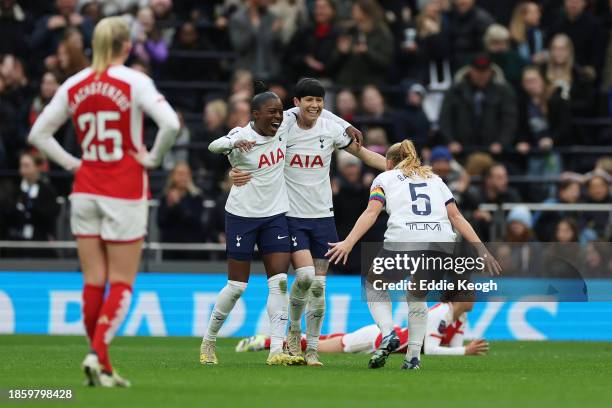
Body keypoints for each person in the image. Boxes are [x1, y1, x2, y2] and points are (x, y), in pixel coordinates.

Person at [28, 16, 180, 387]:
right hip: (124, 188)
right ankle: (97, 353)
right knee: (122, 282)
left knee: (93, 280)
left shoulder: (74, 84)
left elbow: (38, 133)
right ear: (127, 46)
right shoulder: (134, 81)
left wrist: (72, 163)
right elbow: (172, 124)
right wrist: (153, 158)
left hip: (85, 188)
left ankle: (104, 366)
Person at [230, 78, 382, 366]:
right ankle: (294, 333)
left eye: (319, 100)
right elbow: (247, 137)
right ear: (296, 103)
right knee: (306, 278)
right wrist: (233, 170)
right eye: (308, 100)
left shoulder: (331, 128)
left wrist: (397, 168)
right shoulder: (284, 123)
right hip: (291, 217)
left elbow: (362, 154)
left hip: (323, 217)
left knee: (319, 289)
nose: (314, 105)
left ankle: (311, 350)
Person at [326, 140, 500, 370]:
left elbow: (371, 212)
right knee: (416, 297)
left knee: (373, 284)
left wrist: (348, 242)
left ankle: (388, 333)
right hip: (442, 245)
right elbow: (456, 217)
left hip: (405, 241)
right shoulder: (435, 180)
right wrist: (482, 250)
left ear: (388, 163)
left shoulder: (383, 179)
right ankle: (413, 358)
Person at [201, 89, 301, 367]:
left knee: (279, 282)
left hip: (275, 215)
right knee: (236, 286)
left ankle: (276, 350)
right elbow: (214, 146)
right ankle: (209, 340)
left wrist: (347, 126)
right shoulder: (241, 134)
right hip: (242, 216)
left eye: (280, 111)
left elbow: (315, 111)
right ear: (255, 114)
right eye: (272, 112)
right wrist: (235, 143)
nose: (278, 116)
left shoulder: (284, 128)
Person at [236, 296, 489, 356]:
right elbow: (432, 350)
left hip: (384, 340)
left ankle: (271, 341)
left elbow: (452, 348)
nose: (475, 297)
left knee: (329, 339)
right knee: (322, 347)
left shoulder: (458, 318)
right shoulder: (441, 313)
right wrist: (465, 351)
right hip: (379, 339)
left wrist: (462, 350)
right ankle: (267, 341)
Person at [157, 162, 204, 260]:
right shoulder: (165, 196)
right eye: (179, 174)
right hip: (170, 247)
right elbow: (161, 223)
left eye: (186, 174)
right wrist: (169, 206)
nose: (183, 177)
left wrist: (178, 204)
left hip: (191, 248)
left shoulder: (196, 197)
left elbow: (195, 222)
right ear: (172, 176)